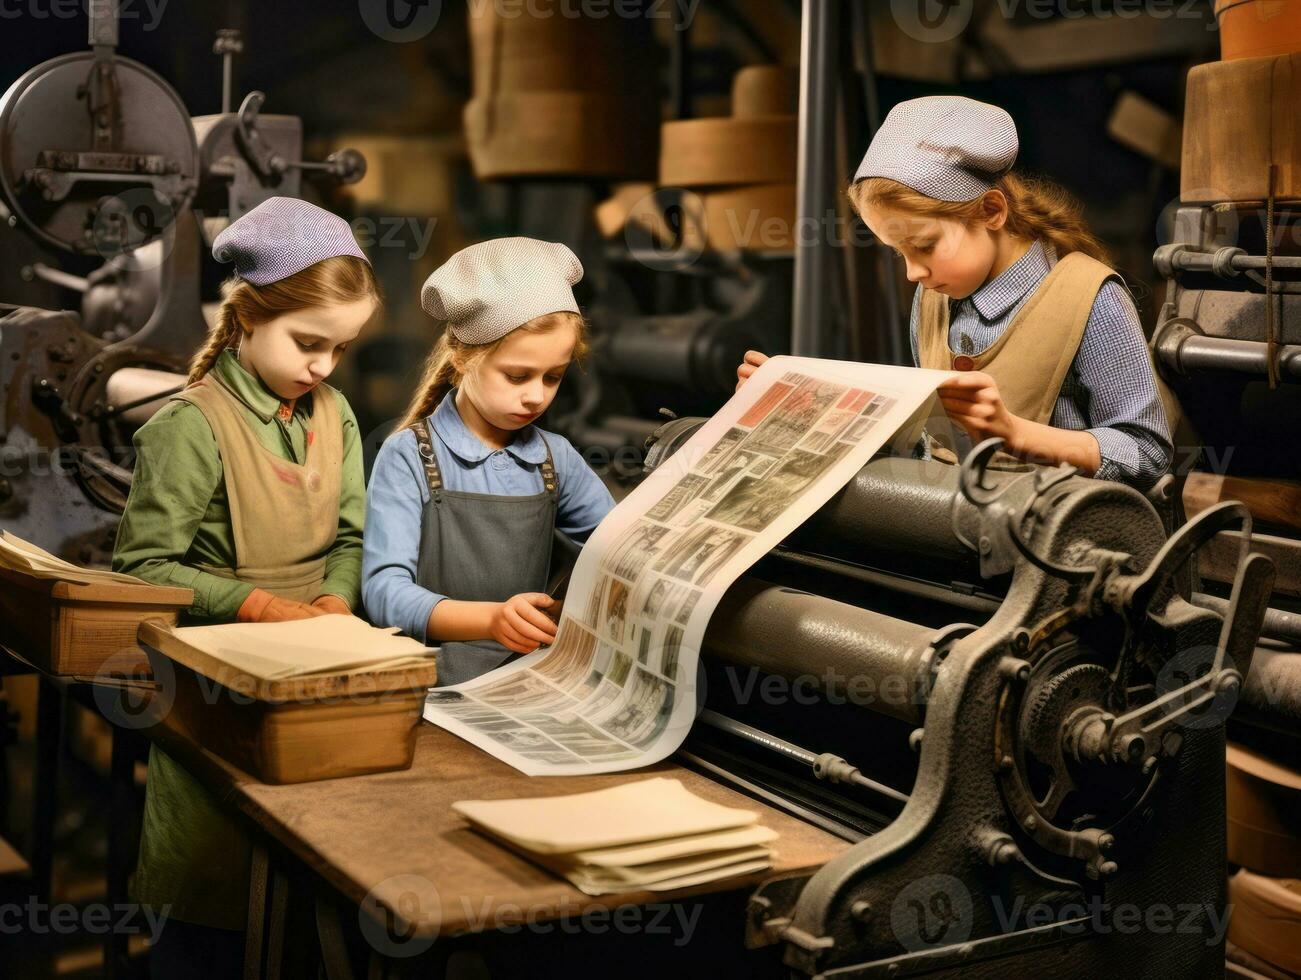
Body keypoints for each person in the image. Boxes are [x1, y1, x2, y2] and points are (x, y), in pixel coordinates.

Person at [112, 197, 379, 977]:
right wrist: (257, 605)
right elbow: (144, 568)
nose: (324, 367)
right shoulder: (190, 426)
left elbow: (352, 539)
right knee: (213, 901)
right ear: (247, 317)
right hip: (213, 693)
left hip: (312, 681)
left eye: (341, 348)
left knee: (307, 903)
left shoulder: (336, 415)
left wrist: (332, 603)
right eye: (308, 343)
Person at [737, 95, 1174, 491]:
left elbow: (1148, 453)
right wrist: (805, 409)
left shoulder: (1090, 298)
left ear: (990, 211)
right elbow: (926, 446)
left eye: (924, 245)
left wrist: (1016, 433)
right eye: (897, 253)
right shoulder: (934, 300)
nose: (912, 272)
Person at [363, 238, 614, 686]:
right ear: (462, 358)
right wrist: (492, 620)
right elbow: (384, 594)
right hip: (431, 685)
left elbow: (623, 546)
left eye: (552, 377)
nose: (537, 395)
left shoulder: (555, 459)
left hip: (527, 680)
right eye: (517, 375)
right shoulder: (410, 456)